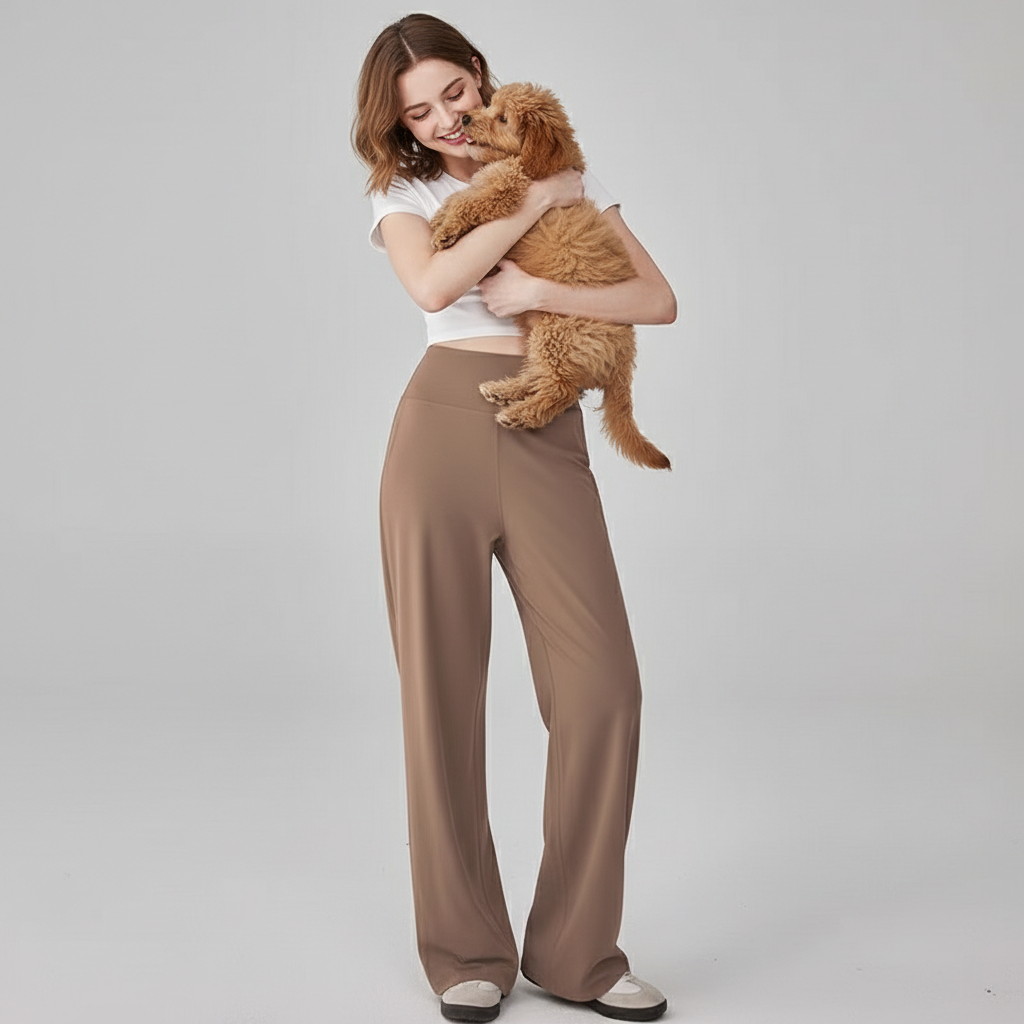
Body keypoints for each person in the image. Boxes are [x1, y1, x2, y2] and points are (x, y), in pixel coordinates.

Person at [352, 14, 676, 1023]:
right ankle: (465, 951)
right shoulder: (405, 198)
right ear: (400, 127)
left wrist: (536, 279)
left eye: (453, 92)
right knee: (441, 697)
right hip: (441, 430)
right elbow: (435, 282)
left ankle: (578, 953)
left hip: (547, 434)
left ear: (480, 75)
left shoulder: (569, 171)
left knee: (603, 690)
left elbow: (656, 299)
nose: (445, 119)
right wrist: (537, 199)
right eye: (418, 112)